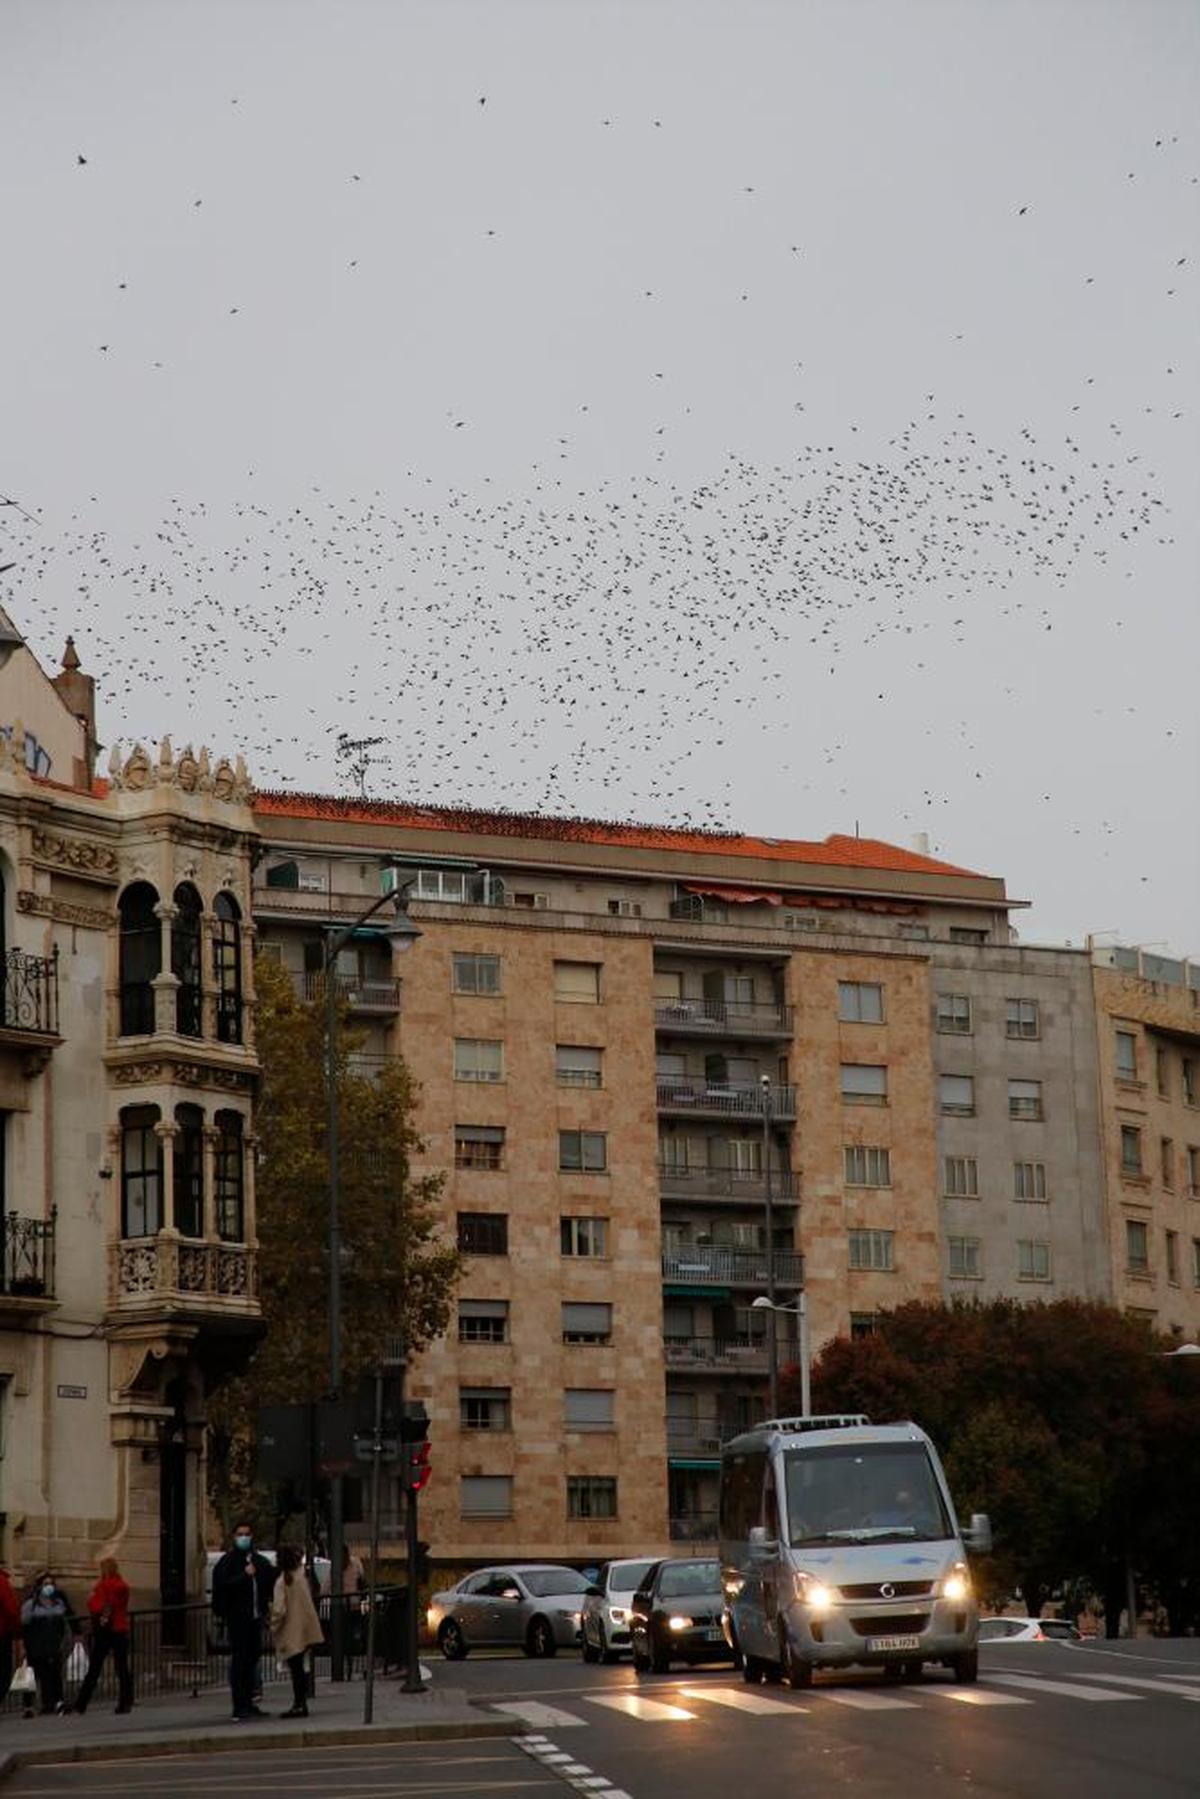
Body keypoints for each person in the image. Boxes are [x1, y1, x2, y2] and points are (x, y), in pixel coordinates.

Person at [210, 1522, 277, 1722]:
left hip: (255, 1618)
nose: (244, 1538)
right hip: (238, 1619)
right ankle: (239, 1706)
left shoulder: (258, 1560)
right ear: (234, 1537)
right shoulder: (228, 1562)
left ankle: (249, 1702)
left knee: (252, 1657)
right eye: (240, 1534)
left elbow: (270, 1578)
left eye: (247, 1534)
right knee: (240, 1660)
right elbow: (222, 1586)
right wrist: (244, 1576)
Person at [68, 1557, 133, 1715]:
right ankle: (126, 1701)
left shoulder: (103, 1586)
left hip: (105, 1630)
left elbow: (94, 1604)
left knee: (95, 1668)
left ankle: (81, 1703)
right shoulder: (122, 1586)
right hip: (120, 1628)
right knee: (122, 1667)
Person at [269, 1545, 324, 1719]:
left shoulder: (282, 1582)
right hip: (304, 1628)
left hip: (290, 1631)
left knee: (296, 1670)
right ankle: (301, 1703)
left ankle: (299, 1704)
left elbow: (279, 1610)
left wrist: (272, 1625)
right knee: (301, 1668)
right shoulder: (300, 1578)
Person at [19, 1572, 74, 1716]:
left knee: (54, 1674)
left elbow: (64, 1623)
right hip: (35, 1646)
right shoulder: (30, 1605)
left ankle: (57, 1702)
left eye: (51, 1584)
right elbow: (23, 1627)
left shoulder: (59, 1604)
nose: (49, 1587)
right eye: (45, 1584)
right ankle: (29, 1706)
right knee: (33, 1676)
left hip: (53, 1645)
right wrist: (23, 1646)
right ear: (39, 1587)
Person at [0, 1564, 21, 1706]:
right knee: (3, 1673)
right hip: (1, 1634)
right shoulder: (1, 1581)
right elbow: (11, 1609)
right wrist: (17, 1632)